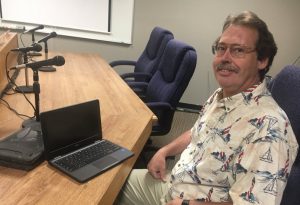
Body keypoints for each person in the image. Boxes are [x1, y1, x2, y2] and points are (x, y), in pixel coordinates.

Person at [115, 11, 299, 205]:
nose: (224, 58)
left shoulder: (270, 129)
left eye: (238, 50)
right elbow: (198, 132)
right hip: (174, 183)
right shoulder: (223, 94)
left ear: (263, 60)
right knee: (110, 182)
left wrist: (186, 204)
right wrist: (164, 151)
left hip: (191, 201)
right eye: (221, 48)